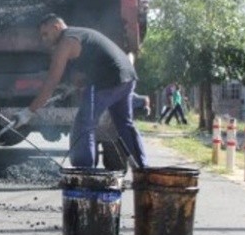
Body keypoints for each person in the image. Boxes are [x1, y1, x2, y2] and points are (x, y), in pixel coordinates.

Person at [10, 14, 148, 169]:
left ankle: (85, 172)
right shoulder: (80, 34)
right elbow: (92, 63)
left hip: (108, 81)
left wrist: (29, 112)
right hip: (127, 77)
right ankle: (144, 168)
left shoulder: (66, 41)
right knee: (125, 124)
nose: (44, 39)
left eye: (45, 34)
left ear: (56, 27)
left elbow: (50, 82)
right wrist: (78, 83)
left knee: (84, 123)